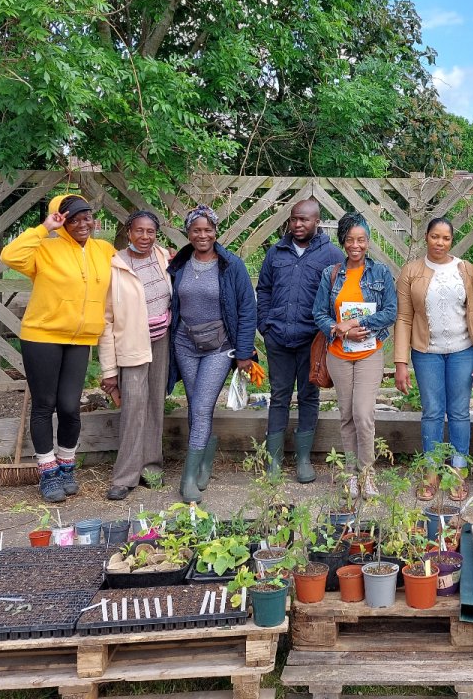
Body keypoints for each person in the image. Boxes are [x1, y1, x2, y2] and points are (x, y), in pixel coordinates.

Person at [1, 194, 114, 502]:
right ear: (61, 220)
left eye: (86, 217)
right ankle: (47, 473)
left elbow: (132, 268)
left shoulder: (104, 250)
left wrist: (165, 256)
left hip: (81, 338)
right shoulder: (44, 249)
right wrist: (45, 228)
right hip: (42, 336)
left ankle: (66, 466)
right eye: (72, 218)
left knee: (69, 406)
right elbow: (9, 256)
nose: (82, 224)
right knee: (44, 404)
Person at [394, 217, 473, 502]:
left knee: (460, 412)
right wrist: (400, 363)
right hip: (426, 354)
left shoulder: (466, 270)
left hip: (463, 351)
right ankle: (430, 472)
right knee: (432, 412)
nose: (440, 242)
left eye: (445, 238)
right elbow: (403, 318)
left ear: (452, 240)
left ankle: (458, 472)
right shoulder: (410, 272)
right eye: (435, 236)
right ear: (426, 237)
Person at [167, 206, 257, 504]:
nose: (202, 235)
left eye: (207, 230)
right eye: (196, 230)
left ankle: (188, 478)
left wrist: (244, 352)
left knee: (203, 406)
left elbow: (247, 310)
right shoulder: (179, 263)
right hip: (184, 343)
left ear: (216, 232)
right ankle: (205, 458)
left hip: (218, 346)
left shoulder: (231, 265)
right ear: (188, 233)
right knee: (195, 405)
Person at [256, 199, 344, 483]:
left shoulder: (331, 255)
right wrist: (265, 326)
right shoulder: (276, 252)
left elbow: (336, 297)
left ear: (317, 221)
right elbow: (264, 290)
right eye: (294, 219)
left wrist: (328, 332)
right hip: (278, 338)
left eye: (304, 220)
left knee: (309, 396)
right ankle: (274, 461)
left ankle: (304, 459)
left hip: (312, 341)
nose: (297, 225)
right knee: (279, 396)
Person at [312, 213, 397, 498]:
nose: (355, 245)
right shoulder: (331, 274)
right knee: (346, 415)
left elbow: (390, 312)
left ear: (368, 241)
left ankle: (367, 473)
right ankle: (350, 474)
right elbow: (319, 313)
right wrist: (339, 329)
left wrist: (359, 325)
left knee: (363, 413)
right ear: (343, 242)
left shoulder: (380, 272)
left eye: (361, 239)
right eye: (350, 239)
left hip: (370, 353)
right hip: (338, 354)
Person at [98, 211, 172, 501]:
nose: (144, 237)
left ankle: (151, 468)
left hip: (161, 342)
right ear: (128, 232)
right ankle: (124, 476)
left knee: (156, 403)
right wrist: (108, 370)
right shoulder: (115, 265)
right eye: (139, 231)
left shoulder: (163, 257)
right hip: (130, 346)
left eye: (150, 232)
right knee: (132, 408)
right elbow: (105, 320)